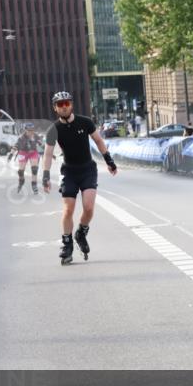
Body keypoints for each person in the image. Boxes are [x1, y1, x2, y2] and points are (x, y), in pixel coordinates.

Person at [41, 91, 118, 265]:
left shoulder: (85, 122)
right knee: (68, 209)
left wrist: (109, 160)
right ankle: (67, 244)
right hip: (69, 172)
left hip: (88, 170)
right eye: (60, 104)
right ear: (55, 108)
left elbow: (98, 140)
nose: (64, 106)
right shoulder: (53, 129)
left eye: (67, 103)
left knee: (89, 207)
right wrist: (45, 175)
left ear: (71, 104)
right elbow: (47, 154)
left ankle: (81, 233)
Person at [10, 123, 43, 194]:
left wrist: (45, 150)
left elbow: (42, 145)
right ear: (25, 130)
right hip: (23, 153)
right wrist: (11, 154)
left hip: (33, 153)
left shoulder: (35, 136)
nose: (31, 132)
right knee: (20, 171)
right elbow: (16, 146)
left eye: (32, 130)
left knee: (34, 169)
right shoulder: (21, 137)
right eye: (29, 130)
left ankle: (34, 184)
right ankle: (21, 180)